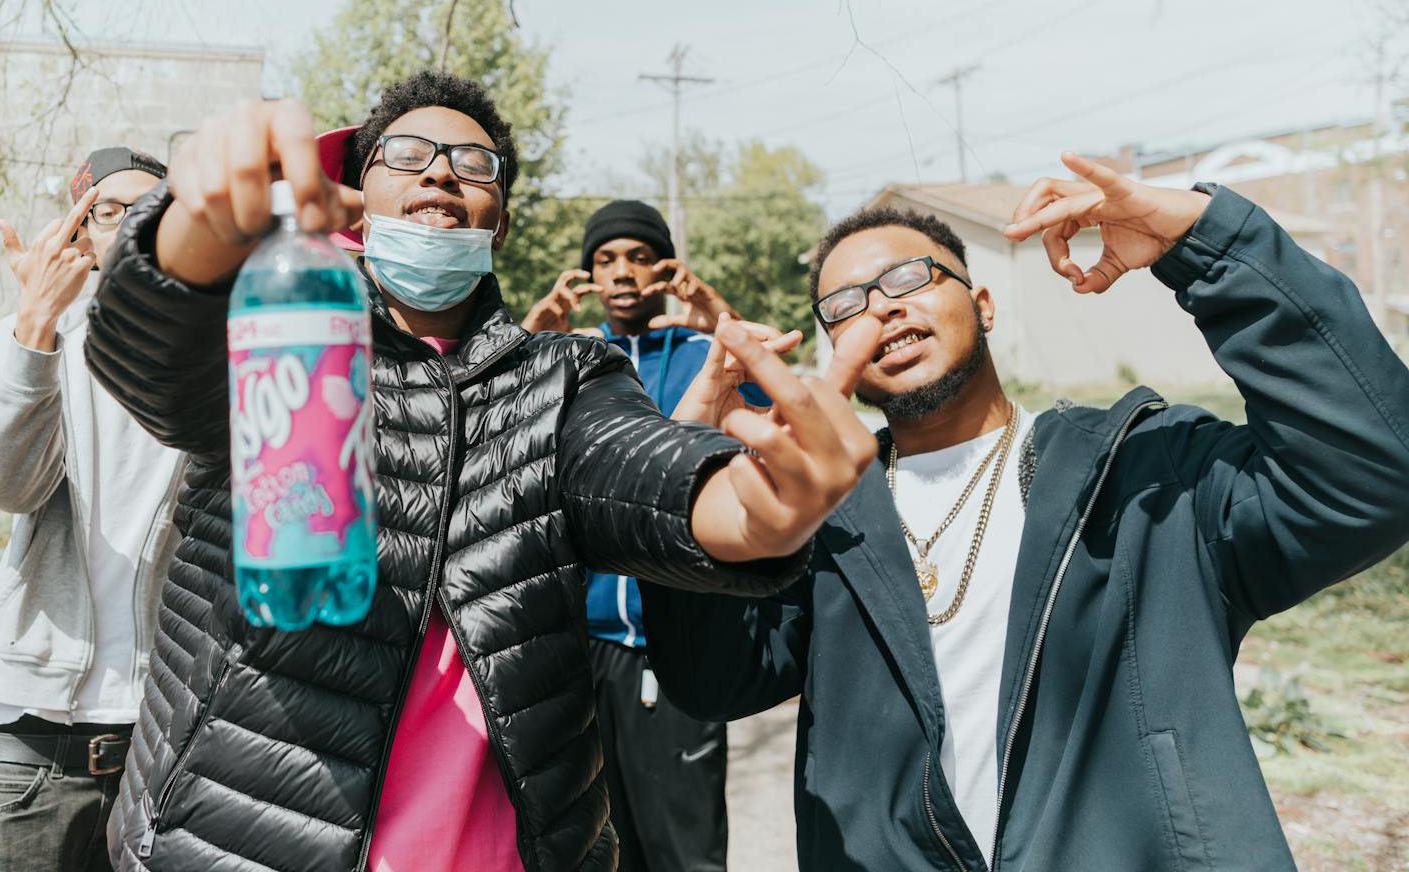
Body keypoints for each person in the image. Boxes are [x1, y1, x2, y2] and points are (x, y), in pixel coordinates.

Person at [83, 69, 885, 872]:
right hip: (233, 843)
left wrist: (754, 505)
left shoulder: (565, 377)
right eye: (407, 153)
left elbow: (639, 469)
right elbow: (150, 348)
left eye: (474, 163)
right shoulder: (277, 327)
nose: (440, 171)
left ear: (498, 224)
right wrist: (194, 225)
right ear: (355, 196)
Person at [646, 154, 1409, 871]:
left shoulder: (1144, 476)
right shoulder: (824, 518)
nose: (882, 310)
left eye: (909, 278)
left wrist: (1208, 245)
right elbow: (713, 683)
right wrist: (685, 477)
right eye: (845, 305)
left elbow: (1371, 475)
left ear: (981, 303)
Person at [522, 199, 784, 872]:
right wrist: (529, 335)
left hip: (667, 644)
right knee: (601, 845)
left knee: (682, 848)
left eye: (639, 257)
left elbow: (773, 414)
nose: (622, 273)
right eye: (605, 260)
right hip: (587, 647)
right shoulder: (570, 363)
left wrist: (717, 313)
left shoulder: (701, 354)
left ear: (665, 269)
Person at [0, 146, 182, 872]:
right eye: (111, 211)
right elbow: (2, 482)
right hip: (33, 733)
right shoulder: (39, 339)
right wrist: (36, 323)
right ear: (83, 233)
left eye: (158, 207)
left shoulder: (219, 359)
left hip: (168, 735)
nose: (138, 222)